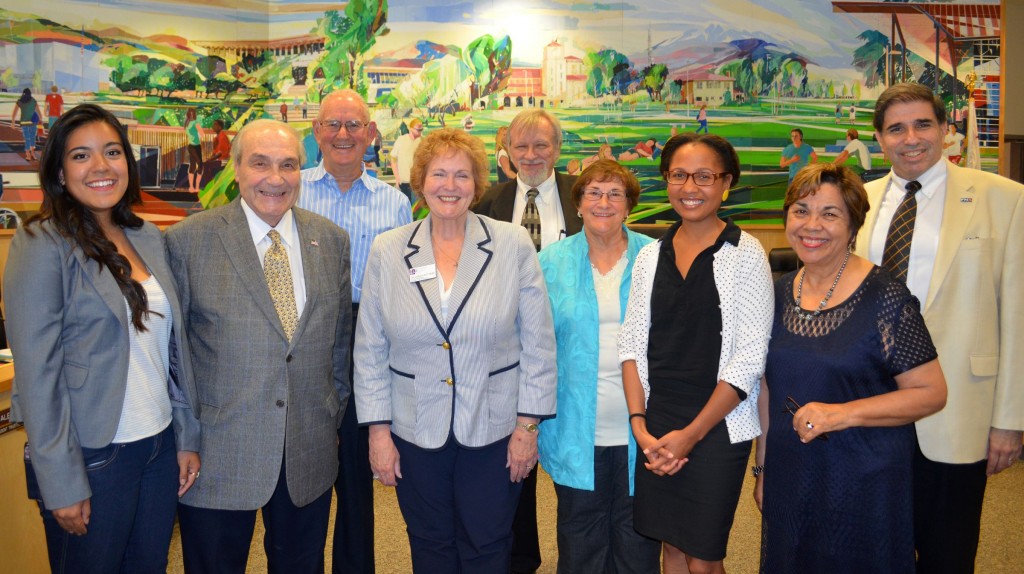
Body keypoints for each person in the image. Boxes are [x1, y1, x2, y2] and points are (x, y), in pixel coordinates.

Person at [3, 103, 201, 572]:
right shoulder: (41, 245)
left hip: (157, 447)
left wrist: (185, 436)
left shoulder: (148, 236)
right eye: (80, 156)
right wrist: (61, 481)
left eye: (111, 152)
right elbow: (37, 376)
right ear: (57, 169)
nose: (100, 166)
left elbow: (171, 353)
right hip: (92, 454)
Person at [354, 127, 557, 573]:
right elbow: (370, 348)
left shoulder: (510, 243)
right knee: (430, 546)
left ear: (477, 183)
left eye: (461, 176)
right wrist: (377, 432)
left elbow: (539, 343)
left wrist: (528, 428)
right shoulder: (389, 250)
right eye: (439, 174)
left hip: (495, 427)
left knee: (488, 544)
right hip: (414, 428)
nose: (450, 186)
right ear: (420, 181)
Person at [166, 119, 353, 574]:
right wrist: (183, 437)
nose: (275, 178)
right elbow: (173, 355)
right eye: (260, 163)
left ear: (301, 172)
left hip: (307, 449)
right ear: (236, 169)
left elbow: (339, 343)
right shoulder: (188, 241)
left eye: (288, 165)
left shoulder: (330, 240)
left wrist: (333, 411)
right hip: (217, 451)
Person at [854, 82, 1024, 574]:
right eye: (895, 129)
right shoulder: (856, 203)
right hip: (870, 407)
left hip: (958, 412)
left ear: (945, 130)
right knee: (872, 547)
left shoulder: (1004, 199)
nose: (911, 138)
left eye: (923, 124)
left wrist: (1010, 420)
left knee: (947, 553)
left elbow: (1015, 315)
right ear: (880, 140)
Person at [755, 163, 947, 572]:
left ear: (853, 224)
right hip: (791, 472)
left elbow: (931, 392)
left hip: (863, 476)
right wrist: (763, 468)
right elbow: (768, 389)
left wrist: (841, 414)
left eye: (830, 213)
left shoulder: (886, 298)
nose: (812, 225)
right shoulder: (775, 292)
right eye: (801, 210)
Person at [619, 132, 773, 574]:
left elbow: (748, 360)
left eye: (704, 176)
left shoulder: (746, 254)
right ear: (666, 180)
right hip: (659, 419)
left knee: (704, 557)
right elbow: (631, 343)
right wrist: (640, 427)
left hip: (717, 426)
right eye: (679, 175)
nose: (690, 187)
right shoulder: (650, 255)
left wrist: (691, 435)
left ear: (726, 183)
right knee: (670, 549)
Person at [299, 89, 411, 574]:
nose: (343, 135)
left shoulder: (395, 204)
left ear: (370, 134)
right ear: (316, 132)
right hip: (303, 339)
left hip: (368, 340)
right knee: (302, 458)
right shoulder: (290, 190)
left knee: (357, 473)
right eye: (332, 125)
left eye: (354, 126)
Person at [537, 160, 660, 573]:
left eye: (615, 194)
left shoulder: (656, 258)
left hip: (645, 430)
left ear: (629, 206)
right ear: (578, 204)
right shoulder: (549, 263)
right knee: (580, 547)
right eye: (593, 193)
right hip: (573, 429)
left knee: (638, 547)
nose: (603, 202)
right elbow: (534, 346)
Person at [476, 108, 580, 573]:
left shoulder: (587, 200)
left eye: (542, 146)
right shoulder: (485, 205)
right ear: (507, 153)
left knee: (575, 477)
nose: (532, 155)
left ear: (557, 149)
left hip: (575, 355)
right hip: (505, 360)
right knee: (511, 472)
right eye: (522, 146)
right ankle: (521, 561)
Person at [390, 117, 423, 202]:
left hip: (418, 181)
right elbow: (393, 160)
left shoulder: (423, 142)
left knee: (418, 208)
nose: (420, 132)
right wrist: (397, 178)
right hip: (404, 181)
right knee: (405, 205)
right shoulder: (401, 140)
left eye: (421, 129)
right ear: (410, 129)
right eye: (418, 129)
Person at [10, 88, 43, 162]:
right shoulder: (33, 100)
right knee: (32, 138)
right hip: (33, 122)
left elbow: (14, 112)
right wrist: (41, 119)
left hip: (24, 123)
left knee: (27, 139)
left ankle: (28, 155)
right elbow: (38, 111)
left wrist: (13, 122)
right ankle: (33, 154)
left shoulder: (20, 101)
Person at [184, 108, 203, 193]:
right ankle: (195, 187)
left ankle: (193, 187)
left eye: (193, 113)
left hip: (192, 146)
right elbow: (202, 133)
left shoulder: (187, 123)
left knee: (193, 166)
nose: (192, 115)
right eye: (191, 113)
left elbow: (200, 134)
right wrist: (197, 138)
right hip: (195, 146)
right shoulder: (195, 123)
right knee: (200, 165)